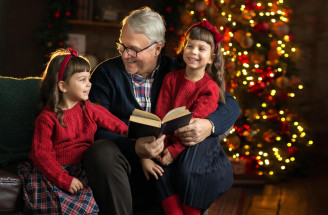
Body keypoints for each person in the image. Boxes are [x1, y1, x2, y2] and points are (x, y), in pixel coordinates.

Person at [84, 6, 240, 215]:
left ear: (157, 48)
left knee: (201, 140)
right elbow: (92, 127)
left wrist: (208, 125)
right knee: (99, 151)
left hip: (168, 168)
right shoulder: (105, 74)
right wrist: (134, 148)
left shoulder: (177, 69)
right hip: (125, 171)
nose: (126, 55)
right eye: (122, 46)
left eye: (135, 49)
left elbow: (229, 104)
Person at [17, 48, 128, 214]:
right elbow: (42, 155)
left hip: (80, 169)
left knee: (90, 205)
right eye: (82, 80)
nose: (89, 84)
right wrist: (64, 179)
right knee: (65, 207)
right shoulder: (47, 118)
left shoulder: (86, 108)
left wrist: (131, 132)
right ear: (63, 86)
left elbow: (112, 122)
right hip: (54, 173)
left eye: (89, 78)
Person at [139, 20, 230, 215]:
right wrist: (157, 147)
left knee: (189, 174)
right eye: (190, 45)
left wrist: (173, 151)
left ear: (211, 57)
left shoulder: (209, 88)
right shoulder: (171, 79)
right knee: (159, 172)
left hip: (191, 147)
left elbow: (192, 130)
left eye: (201, 48)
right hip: (168, 142)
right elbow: (160, 117)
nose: (194, 52)